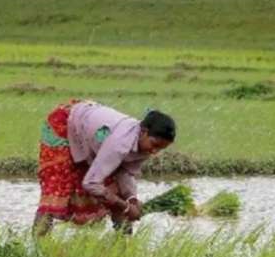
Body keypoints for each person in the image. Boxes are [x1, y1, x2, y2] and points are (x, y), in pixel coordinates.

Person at [33, 100, 176, 236]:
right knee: (56, 190)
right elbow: (91, 183)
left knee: (115, 189)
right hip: (65, 124)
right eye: (154, 144)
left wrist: (132, 199)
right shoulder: (119, 144)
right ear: (143, 132)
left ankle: (124, 245)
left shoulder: (144, 146)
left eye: (161, 148)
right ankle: (35, 249)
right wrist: (125, 206)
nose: (155, 151)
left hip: (92, 134)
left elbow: (125, 172)